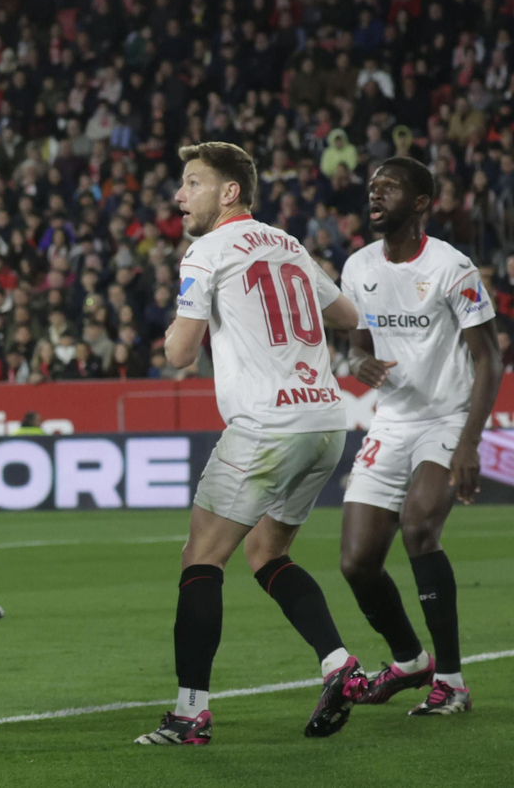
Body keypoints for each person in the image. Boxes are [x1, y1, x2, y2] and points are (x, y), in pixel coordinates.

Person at [137, 142, 365, 747]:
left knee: (201, 559)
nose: (180, 196)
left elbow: (180, 356)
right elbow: (345, 314)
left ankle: (190, 715)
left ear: (229, 191)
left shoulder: (206, 252)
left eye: (191, 183)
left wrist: (177, 330)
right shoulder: (286, 243)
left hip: (266, 427)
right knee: (266, 553)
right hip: (325, 421)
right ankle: (339, 663)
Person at [337, 157, 498, 716]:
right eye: (373, 187)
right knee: (356, 561)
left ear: (422, 202)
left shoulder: (453, 268)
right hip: (391, 420)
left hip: (447, 418)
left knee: (419, 526)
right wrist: (357, 361)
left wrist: (471, 443)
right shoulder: (358, 266)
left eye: (390, 187)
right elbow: (356, 343)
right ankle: (410, 660)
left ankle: (451, 680)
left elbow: (490, 360)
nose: (375, 194)